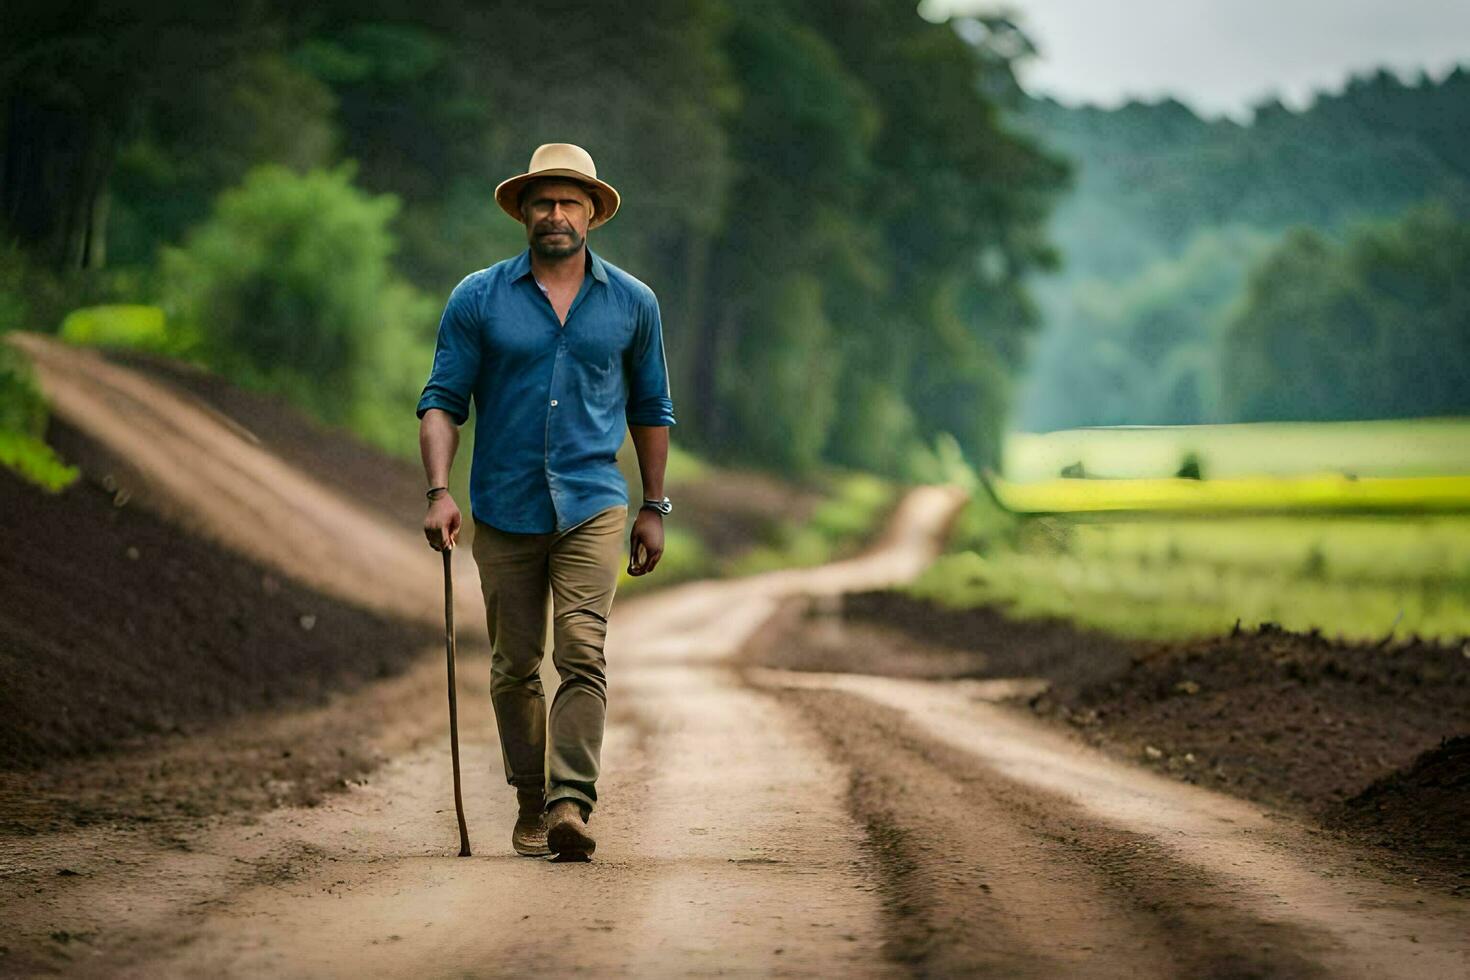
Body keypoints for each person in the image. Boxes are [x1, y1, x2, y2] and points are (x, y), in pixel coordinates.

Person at [416, 143, 677, 861]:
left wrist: (655, 504)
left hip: (594, 501)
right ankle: (531, 798)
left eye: (570, 202)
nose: (555, 213)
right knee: (514, 666)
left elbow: (652, 408)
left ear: (593, 213)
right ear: (523, 212)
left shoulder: (633, 302)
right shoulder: (479, 297)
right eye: (543, 202)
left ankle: (570, 802)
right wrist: (439, 492)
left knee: (582, 651)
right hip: (502, 504)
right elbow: (442, 402)